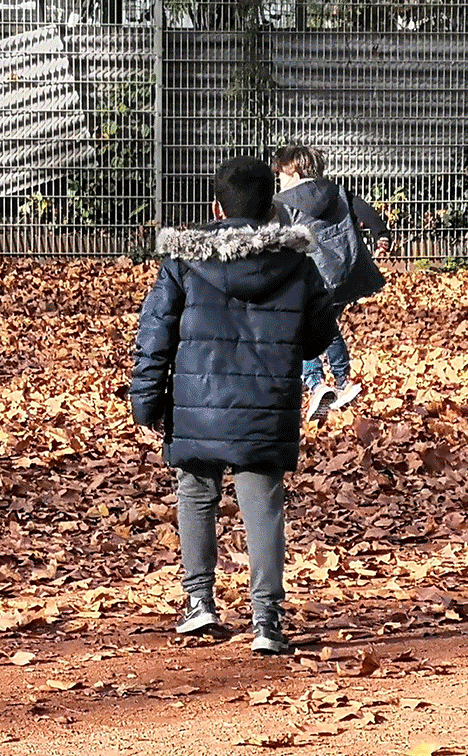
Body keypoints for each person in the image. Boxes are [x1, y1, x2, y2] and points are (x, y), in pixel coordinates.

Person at [130, 156, 339, 655]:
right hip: (267, 402)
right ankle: (267, 620)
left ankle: (199, 602)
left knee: (196, 495)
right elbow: (315, 340)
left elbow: (155, 333)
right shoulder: (299, 265)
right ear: (272, 207)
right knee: (263, 506)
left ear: (215, 207)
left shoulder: (184, 261)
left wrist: (146, 400)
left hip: (197, 404)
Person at [271, 144, 390, 422]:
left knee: (301, 328)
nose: (279, 180)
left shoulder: (282, 202)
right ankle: (343, 381)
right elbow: (366, 212)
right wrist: (381, 235)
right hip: (347, 274)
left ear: (293, 171)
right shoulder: (337, 192)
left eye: (280, 174)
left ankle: (315, 384)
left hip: (312, 276)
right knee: (327, 326)